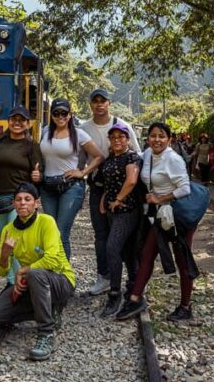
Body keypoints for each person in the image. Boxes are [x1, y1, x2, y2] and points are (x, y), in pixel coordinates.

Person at [116, 122, 199, 322]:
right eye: (153, 136)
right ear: (148, 139)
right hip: (161, 215)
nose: (157, 140)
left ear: (169, 139)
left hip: (178, 214)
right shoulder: (147, 155)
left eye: (162, 136)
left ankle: (185, 307)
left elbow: (185, 189)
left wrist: (159, 199)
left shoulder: (174, 159)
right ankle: (135, 298)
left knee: (182, 258)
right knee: (147, 254)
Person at [0, 182, 75, 361]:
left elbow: (52, 259)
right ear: (13, 204)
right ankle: (49, 309)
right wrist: (5, 254)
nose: (22, 203)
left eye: (27, 199)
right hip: (33, 282)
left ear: (36, 203)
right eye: (18, 200)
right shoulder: (8, 230)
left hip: (60, 281)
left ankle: (46, 333)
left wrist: (23, 271)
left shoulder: (46, 221)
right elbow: (2, 271)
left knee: (35, 274)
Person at [80, 88, 141, 295]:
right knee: (100, 236)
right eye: (95, 101)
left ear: (109, 103)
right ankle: (104, 276)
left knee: (123, 239)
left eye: (102, 101)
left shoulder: (122, 125)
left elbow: (138, 154)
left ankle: (134, 279)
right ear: (90, 104)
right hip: (99, 189)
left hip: (124, 193)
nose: (99, 104)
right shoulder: (83, 128)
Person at [40, 98, 103, 260]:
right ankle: (51, 271)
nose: (60, 116)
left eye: (64, 113)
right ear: (51, 115)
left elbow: (98, 157)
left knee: (62, 232)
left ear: (69, 115)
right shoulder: (46, 131)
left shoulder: (79, 134)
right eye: (56, 113)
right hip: (48, 187)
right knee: (50, 232)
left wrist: (83, 172)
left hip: (70, 187)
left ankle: (64, 277)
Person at [0, 105, 44, 287]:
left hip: (18, 200)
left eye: (22, 120)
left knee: (14, 241)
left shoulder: (31, 145)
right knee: (4, 241)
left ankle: (17, 283)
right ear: (9, 121)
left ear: (28, 124)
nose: (17, 123)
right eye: (14, 119)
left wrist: (38, 176)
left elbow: (39, 171)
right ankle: (12, 281)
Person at [99, 122, 142, 317]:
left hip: (126, 210)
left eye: (121, 137)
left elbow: (131, 181)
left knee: (112, 248)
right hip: (111, 211)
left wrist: (117, 199)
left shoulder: (131, 157)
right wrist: (104, 199)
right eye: (113, 137)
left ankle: (114, 293)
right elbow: (109, 183)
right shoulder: (110, 159)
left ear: (127, 139)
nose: (117, 140)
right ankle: (133, 286)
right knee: (126, 250)